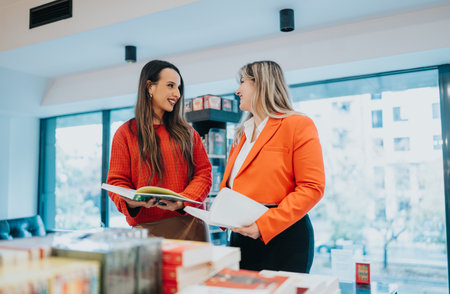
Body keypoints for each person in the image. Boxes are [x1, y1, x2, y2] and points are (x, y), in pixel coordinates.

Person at [220, 60, 325, 272]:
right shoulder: (241, 135)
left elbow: (312, 187)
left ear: (260, 84)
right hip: (242, 238)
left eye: (243, 82)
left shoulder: (297, 124)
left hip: (284, 238)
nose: (238, 90)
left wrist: (264, 225)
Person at [107, 59, 212, 241]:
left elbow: (204, 173)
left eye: (178, 87)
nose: (177, 94)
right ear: (149, 87)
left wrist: (182, 201)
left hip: (190, 224)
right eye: (170, 85)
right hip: (145, 232)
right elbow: (117, 181)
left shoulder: (188, 132)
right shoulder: (125, 133)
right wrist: (129, 201)